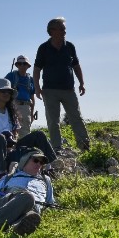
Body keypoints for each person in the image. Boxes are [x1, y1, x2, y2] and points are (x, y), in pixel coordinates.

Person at [0, 78, 57, 178]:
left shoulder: (11, 111)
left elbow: (15, 133)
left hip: (9, 148)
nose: (6, 94)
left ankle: (50, 167)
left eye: (9, 92)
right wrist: (7, 142)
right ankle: (1, 173)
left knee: (39, 135)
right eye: (3, 91)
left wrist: (13, 142)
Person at [33, 16, 90, 152]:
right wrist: (37, 87)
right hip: (50, 90)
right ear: (52, 31)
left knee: (76, 118)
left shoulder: (69, 46)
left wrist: (82, 83)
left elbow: (76, 66)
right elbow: (36, 69)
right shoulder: (43, 48)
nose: (65, 31)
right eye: (62, 29)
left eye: (65, 29)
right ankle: (57, 148)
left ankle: (85, 146)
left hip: (69, 90)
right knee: (53, 120)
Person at [0, 148, 54, 235]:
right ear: (25, 161)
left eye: (41, 163)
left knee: (32, 216)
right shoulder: (9, 177)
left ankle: (14, 229)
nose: (38, 164)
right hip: (7, 202)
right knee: (27, 197)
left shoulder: (45, 180)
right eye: (35, 160)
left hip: (33, 207)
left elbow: (50, 203)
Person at [5, 55, 36, 135]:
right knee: (11, 132)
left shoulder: (31, 80)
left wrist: (32, 114)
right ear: (17, 65)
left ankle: (24, 147)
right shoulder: (10, 76)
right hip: (12, 106)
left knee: (25, 133)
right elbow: (3, 90)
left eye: (24, 63)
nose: (22, 65)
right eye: (20, 63)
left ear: (28, 66)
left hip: (26, 108)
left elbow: (32, 98)